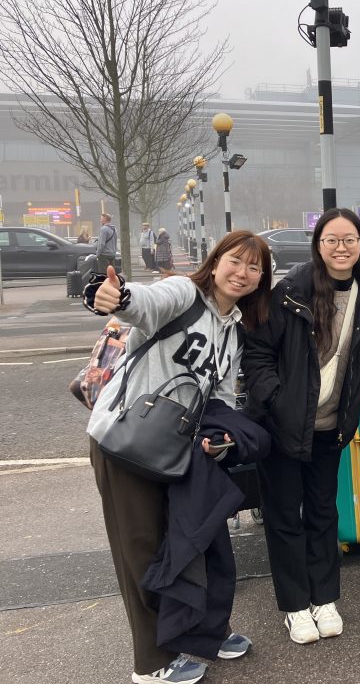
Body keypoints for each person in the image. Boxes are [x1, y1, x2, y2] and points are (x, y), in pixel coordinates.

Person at [83, 230, 273, 684]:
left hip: (177, 449)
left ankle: (203, 631)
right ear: (216, 260)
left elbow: (220, 398)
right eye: (235, 261)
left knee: (195, 538)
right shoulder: (184, 293)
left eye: (254, 267)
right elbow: (142, 303)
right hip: (125, 441)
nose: (242, 273)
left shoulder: (235, 331)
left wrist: (220, 437)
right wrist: (115, 295)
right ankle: (151, 663)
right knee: (141, 551)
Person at [243, 208, 360, 645]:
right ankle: (294, 605)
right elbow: (257, 355)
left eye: (350, 240)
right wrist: (276, 402)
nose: (341, 248)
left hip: (329, 429)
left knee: (324, 513)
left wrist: (352, 407)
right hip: (283, 428)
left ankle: (325, 598)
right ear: (318, 245)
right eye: (332, 240)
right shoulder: (290, 291)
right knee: (286, 517)